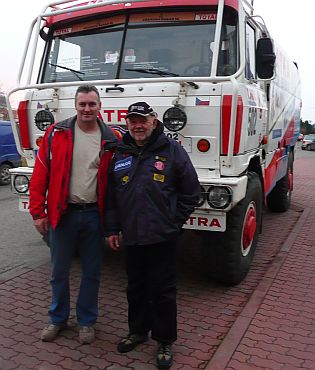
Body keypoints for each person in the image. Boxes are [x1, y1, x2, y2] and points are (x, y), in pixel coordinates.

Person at [105, 102, 200, 369]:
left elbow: (191, 192)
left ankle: (164, 341)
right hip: (132, 236)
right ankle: (138, 331)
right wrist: (112, 229)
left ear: (154, 121)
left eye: (142, 120)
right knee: (135, 287)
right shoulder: (120, 152)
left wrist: (174, 221)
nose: (138, 125)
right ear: (127, 123)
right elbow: (112, 197)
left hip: (162, 237)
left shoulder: (172, 150)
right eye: (133, 120)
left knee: (163, 291)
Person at [29, 84, 118, 344]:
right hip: (63, 214)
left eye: (92, 104)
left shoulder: (112, 139)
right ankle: (57, 319)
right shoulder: (56, 134)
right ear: (75, 106)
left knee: (92, 272)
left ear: (99, 107)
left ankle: (86, 322)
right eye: (82, 104)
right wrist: (38, 212)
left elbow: (116, 184)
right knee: (59, 271)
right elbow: (40, 175)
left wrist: (115, 223)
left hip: (93, 216)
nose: (87, 109)